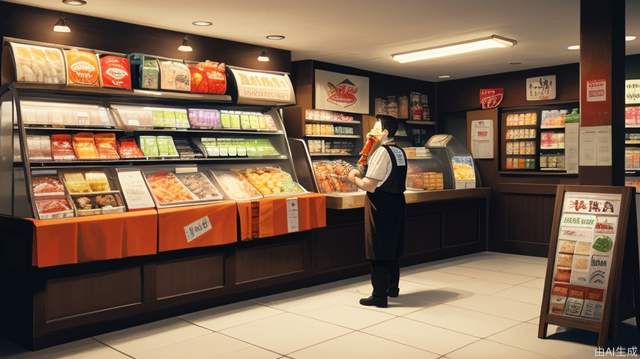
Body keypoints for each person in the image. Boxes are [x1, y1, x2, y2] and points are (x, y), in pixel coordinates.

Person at [348, 115, 407, 308]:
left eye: (375, 128)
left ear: (385, 132)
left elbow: (370, 185)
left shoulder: (382, 151)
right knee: (392, 246)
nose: (371, 131)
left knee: (378, 248)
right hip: (397, 202)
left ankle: (379, 295)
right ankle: (392, 288)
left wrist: (353, 178)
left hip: (380, 205)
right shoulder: (399, 151)